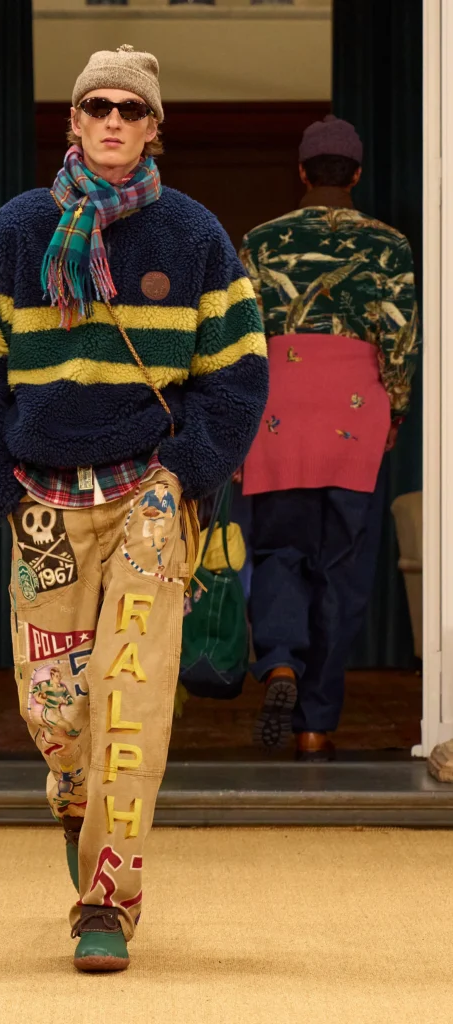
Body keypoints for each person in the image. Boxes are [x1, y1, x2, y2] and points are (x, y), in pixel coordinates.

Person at [0, 45, 268, 972]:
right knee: (56, 714)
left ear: (154, 126)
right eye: (99, 106)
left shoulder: (195, 236)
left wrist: (183, 473)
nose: (115, 121)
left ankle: (105, 904)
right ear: (75, 120)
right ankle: (74, 806)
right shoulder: (15, 231)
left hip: (147, 503)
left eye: (132, 108)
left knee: (128, 705)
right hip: (43, 507)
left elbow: (238, 376)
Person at [239, 115, 419, 762]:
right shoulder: (389, 246)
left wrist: (239, 420)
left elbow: (241, 337)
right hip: (354, 411)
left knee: (278, 550)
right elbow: (400, 339)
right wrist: (393, 412)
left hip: (280, 410)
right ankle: (315, 725)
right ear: (356, 174)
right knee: (340, 571)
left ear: (302, 171)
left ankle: (280, 660)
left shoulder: (261, 241)